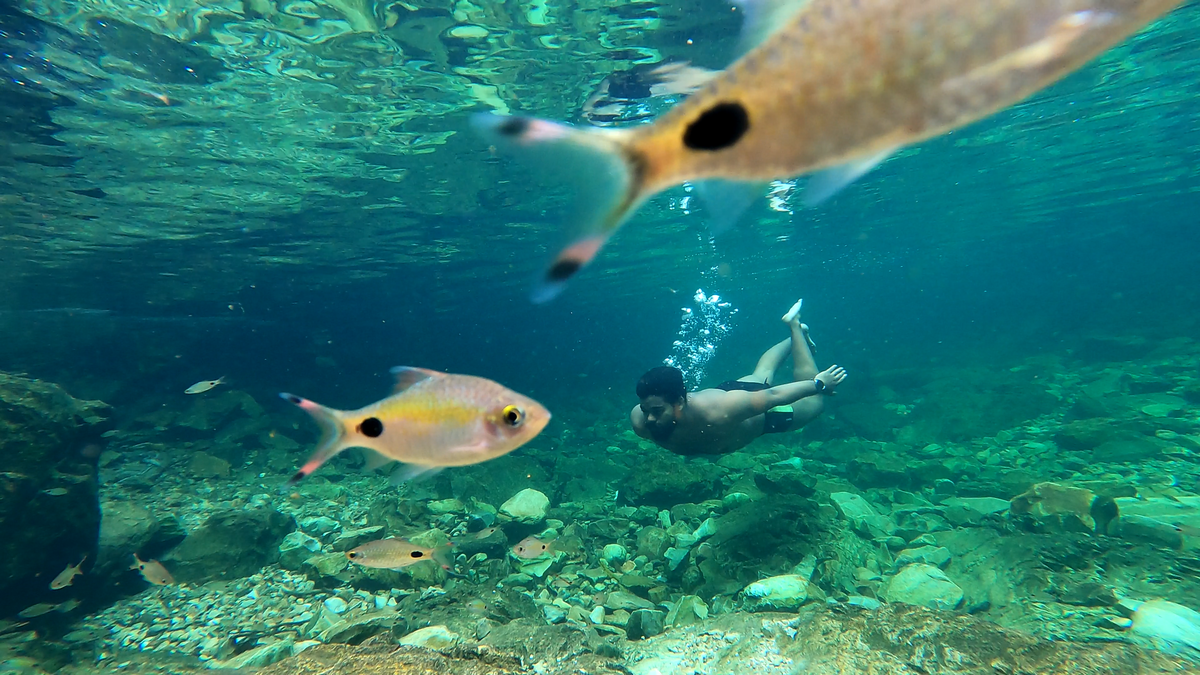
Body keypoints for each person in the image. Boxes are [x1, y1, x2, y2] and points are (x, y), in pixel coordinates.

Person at [630, 299, 846, 455]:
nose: (649, 419)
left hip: (760, 414)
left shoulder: (721, 410)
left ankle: (795, 328)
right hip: (728, 393)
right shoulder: (641, 423)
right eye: (645, 410)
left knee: (814, 405)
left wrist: (818, 384)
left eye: (657, 411)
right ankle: (795, 337)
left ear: (679, 402)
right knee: (761, 374)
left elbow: (774, 395)